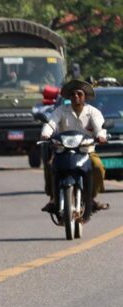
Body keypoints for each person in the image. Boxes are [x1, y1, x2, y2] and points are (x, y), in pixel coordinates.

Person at [40, 79, 109, 215]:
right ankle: (53, 198)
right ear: (69, 97)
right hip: (63, 151)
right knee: (50, 165)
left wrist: (101, 136)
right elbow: (50, 123)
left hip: (86, 151)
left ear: (85, 97)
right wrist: (45, 134)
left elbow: (100, 127)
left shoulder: (93, 112)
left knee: (98, 166)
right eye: (73, 94)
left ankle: (91, 198)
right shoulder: (61, 110)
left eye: (79, 94)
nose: (76, 96)